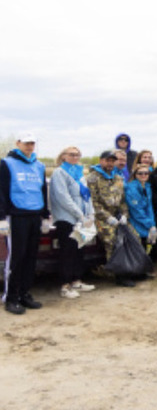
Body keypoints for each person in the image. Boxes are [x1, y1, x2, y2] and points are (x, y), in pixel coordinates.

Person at [0, 132, 51, 314]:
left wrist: (45, 215)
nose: (30, 146)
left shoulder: (39, 165)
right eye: (26, 143)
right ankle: (11, 298)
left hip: (34, 215)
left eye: (32, 143)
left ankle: (24, 293)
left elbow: (42, 190)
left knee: (31, 256)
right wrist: (1, 218)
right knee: (16, 257)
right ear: (18, 143)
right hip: (16, 216)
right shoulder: (6, 163)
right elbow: (2, 191)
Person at [49, 146, 96, 299]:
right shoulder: (59, 173)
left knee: (78, 250)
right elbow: (63, 198)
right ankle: (65, 285)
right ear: (63, 156)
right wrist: (80, 214)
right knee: (67, 252)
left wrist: (90, 213)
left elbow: (86, 195)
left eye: (78, 155)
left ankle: (76, 280)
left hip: (81, 219)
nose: (75, 157)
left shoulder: (79, 173)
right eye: (72, 154)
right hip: (67, 218)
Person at [87, 150, 138, 287]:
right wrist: (108, 217)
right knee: (113, 240)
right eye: (107, 160)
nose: (110, 163)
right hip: (102, 217)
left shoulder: (118, 178)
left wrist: (124, 215)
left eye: (112, 161)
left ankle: (133, 269)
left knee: (134, 236)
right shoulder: (93, 178)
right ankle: (119, 274)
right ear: (101, 160)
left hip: (118, 216)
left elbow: (122, 201)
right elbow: (94, 202)